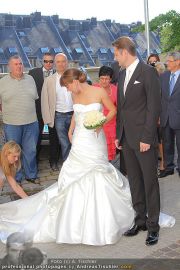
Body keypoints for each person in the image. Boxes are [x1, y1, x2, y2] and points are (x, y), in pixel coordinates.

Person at [0, 69, 175, 246]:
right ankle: (74, 223)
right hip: (80, 139)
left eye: (68, 86)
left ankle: (114, 219)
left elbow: (113, 110)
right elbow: (77, 113)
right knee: (73, 175)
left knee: (99, 172)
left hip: (95, 138)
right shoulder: (74, 95)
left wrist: (101, 123)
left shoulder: (98, 91)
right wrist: (70, 129)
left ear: (75, 81)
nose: (68, 90)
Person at [113, 36, 161, 246]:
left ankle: (153, 226)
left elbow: (154, 108)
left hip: (144, 139)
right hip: (127, 139)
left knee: (149, 182)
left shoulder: (148, 72)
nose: (115, 59)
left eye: (116, 54)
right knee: (134, 181)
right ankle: (139, 220)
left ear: (124, 51)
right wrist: (118, 134)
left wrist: (147, 137)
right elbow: (122, 109)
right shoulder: (121, 73)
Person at [0, 55, 39, 184]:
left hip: (31, 122)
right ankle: (16, 177)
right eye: (16, 64)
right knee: (13, 154)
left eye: (21, 63)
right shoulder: (2, 82)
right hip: (11, 124)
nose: (19, 66)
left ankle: (31, 175)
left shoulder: (30, 79)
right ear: (9, 67)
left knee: (31, 150)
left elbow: (34, 97)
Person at [28, 53, 60, 169]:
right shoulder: (33, 73)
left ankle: (54, 161)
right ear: (42, 61)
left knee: (54, 138)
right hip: (37, 111)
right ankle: (34, 161)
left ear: (54, 62)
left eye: (51, 61)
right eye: (46, 61)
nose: (48, 63)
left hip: (53, 111)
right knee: (36, 138)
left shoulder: (58, 75)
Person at [41, 53, 73, 162]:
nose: (61, 64)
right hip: (59, 116)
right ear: (55, 63)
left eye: (63, 61)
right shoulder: (49, 80)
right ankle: (67, 165)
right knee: (64, 143)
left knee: (76, 141)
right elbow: (44, 100)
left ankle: (76, 164)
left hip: (74, 115)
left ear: (67, 62)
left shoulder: (74, 77)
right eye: (58, 61)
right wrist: (47, 119)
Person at [158, 52, 180, 178]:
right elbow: (160, 97)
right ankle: (169, 167)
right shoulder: (164, 76)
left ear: (178, 62)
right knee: (167, 144)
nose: (167, 63)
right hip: (165, 116)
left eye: (170, 61)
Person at [93, 65, 117, 161]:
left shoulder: (115, 89)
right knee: (98, 150)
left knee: (109, 152)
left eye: (106, 79)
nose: (104, 81)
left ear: (110, 79)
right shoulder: (94, 88)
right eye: (102, 78)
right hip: (97, 122)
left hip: (111, 123)